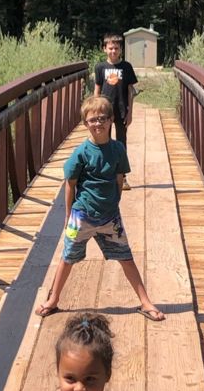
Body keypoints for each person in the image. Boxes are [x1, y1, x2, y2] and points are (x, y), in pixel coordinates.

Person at [34, 94, 165, 321]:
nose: (98, 123)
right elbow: (70, 183)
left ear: (111, 120)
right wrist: (68, 215)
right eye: (92, 120)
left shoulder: (118, 149)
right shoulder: (81, 152)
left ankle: (145, 302)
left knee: (126, 257)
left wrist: (114, 203)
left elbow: (119, 178)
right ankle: (53, 299)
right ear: (85, 124)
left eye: (103, 118)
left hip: (110, 217)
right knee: (67, 257)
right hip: (81, 215)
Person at [94, 33, 138, 190]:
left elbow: (130, 91)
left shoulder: (126, 67)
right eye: (110, 48)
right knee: (102, 141)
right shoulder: (100, 67)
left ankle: (122, 177)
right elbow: (97, 89)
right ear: (104, 49)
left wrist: (130, 112)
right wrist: (95, 110)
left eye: (116, 48)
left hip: (121, 110)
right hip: (104, 111)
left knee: (121, 143)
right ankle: (104, 175)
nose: (113, 51)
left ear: (121, 50)